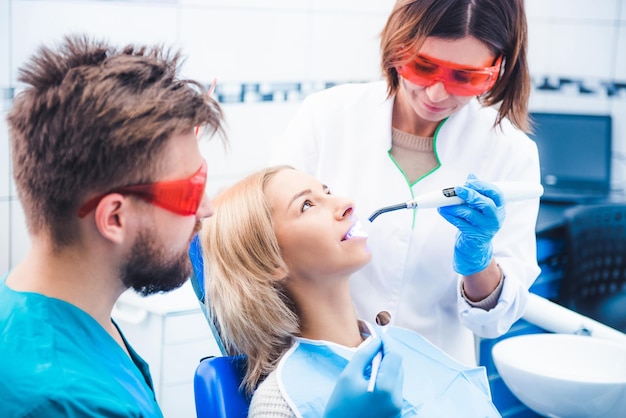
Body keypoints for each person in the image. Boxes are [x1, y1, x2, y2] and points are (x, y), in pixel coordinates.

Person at [1, 34, 403, 417]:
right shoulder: (59, 400)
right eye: (190, 192)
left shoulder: (78, 318)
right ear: (115, 218)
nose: (206, 211)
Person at [270, 0, 541, 366]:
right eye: (423, 66)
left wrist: (479, 260)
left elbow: (494, 321)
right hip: (320, 365)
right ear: (398, 44)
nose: (437, 94)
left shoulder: (510, 152)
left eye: (465, 77)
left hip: (436, 379)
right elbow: (264, 240)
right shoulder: (327, 116)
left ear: (498, 69)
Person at [200, 165, 501, 417]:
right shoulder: (279, 401)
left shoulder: (406, 344)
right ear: (270, 261)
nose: (346, 203)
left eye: (327, 191)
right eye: (307, 205)